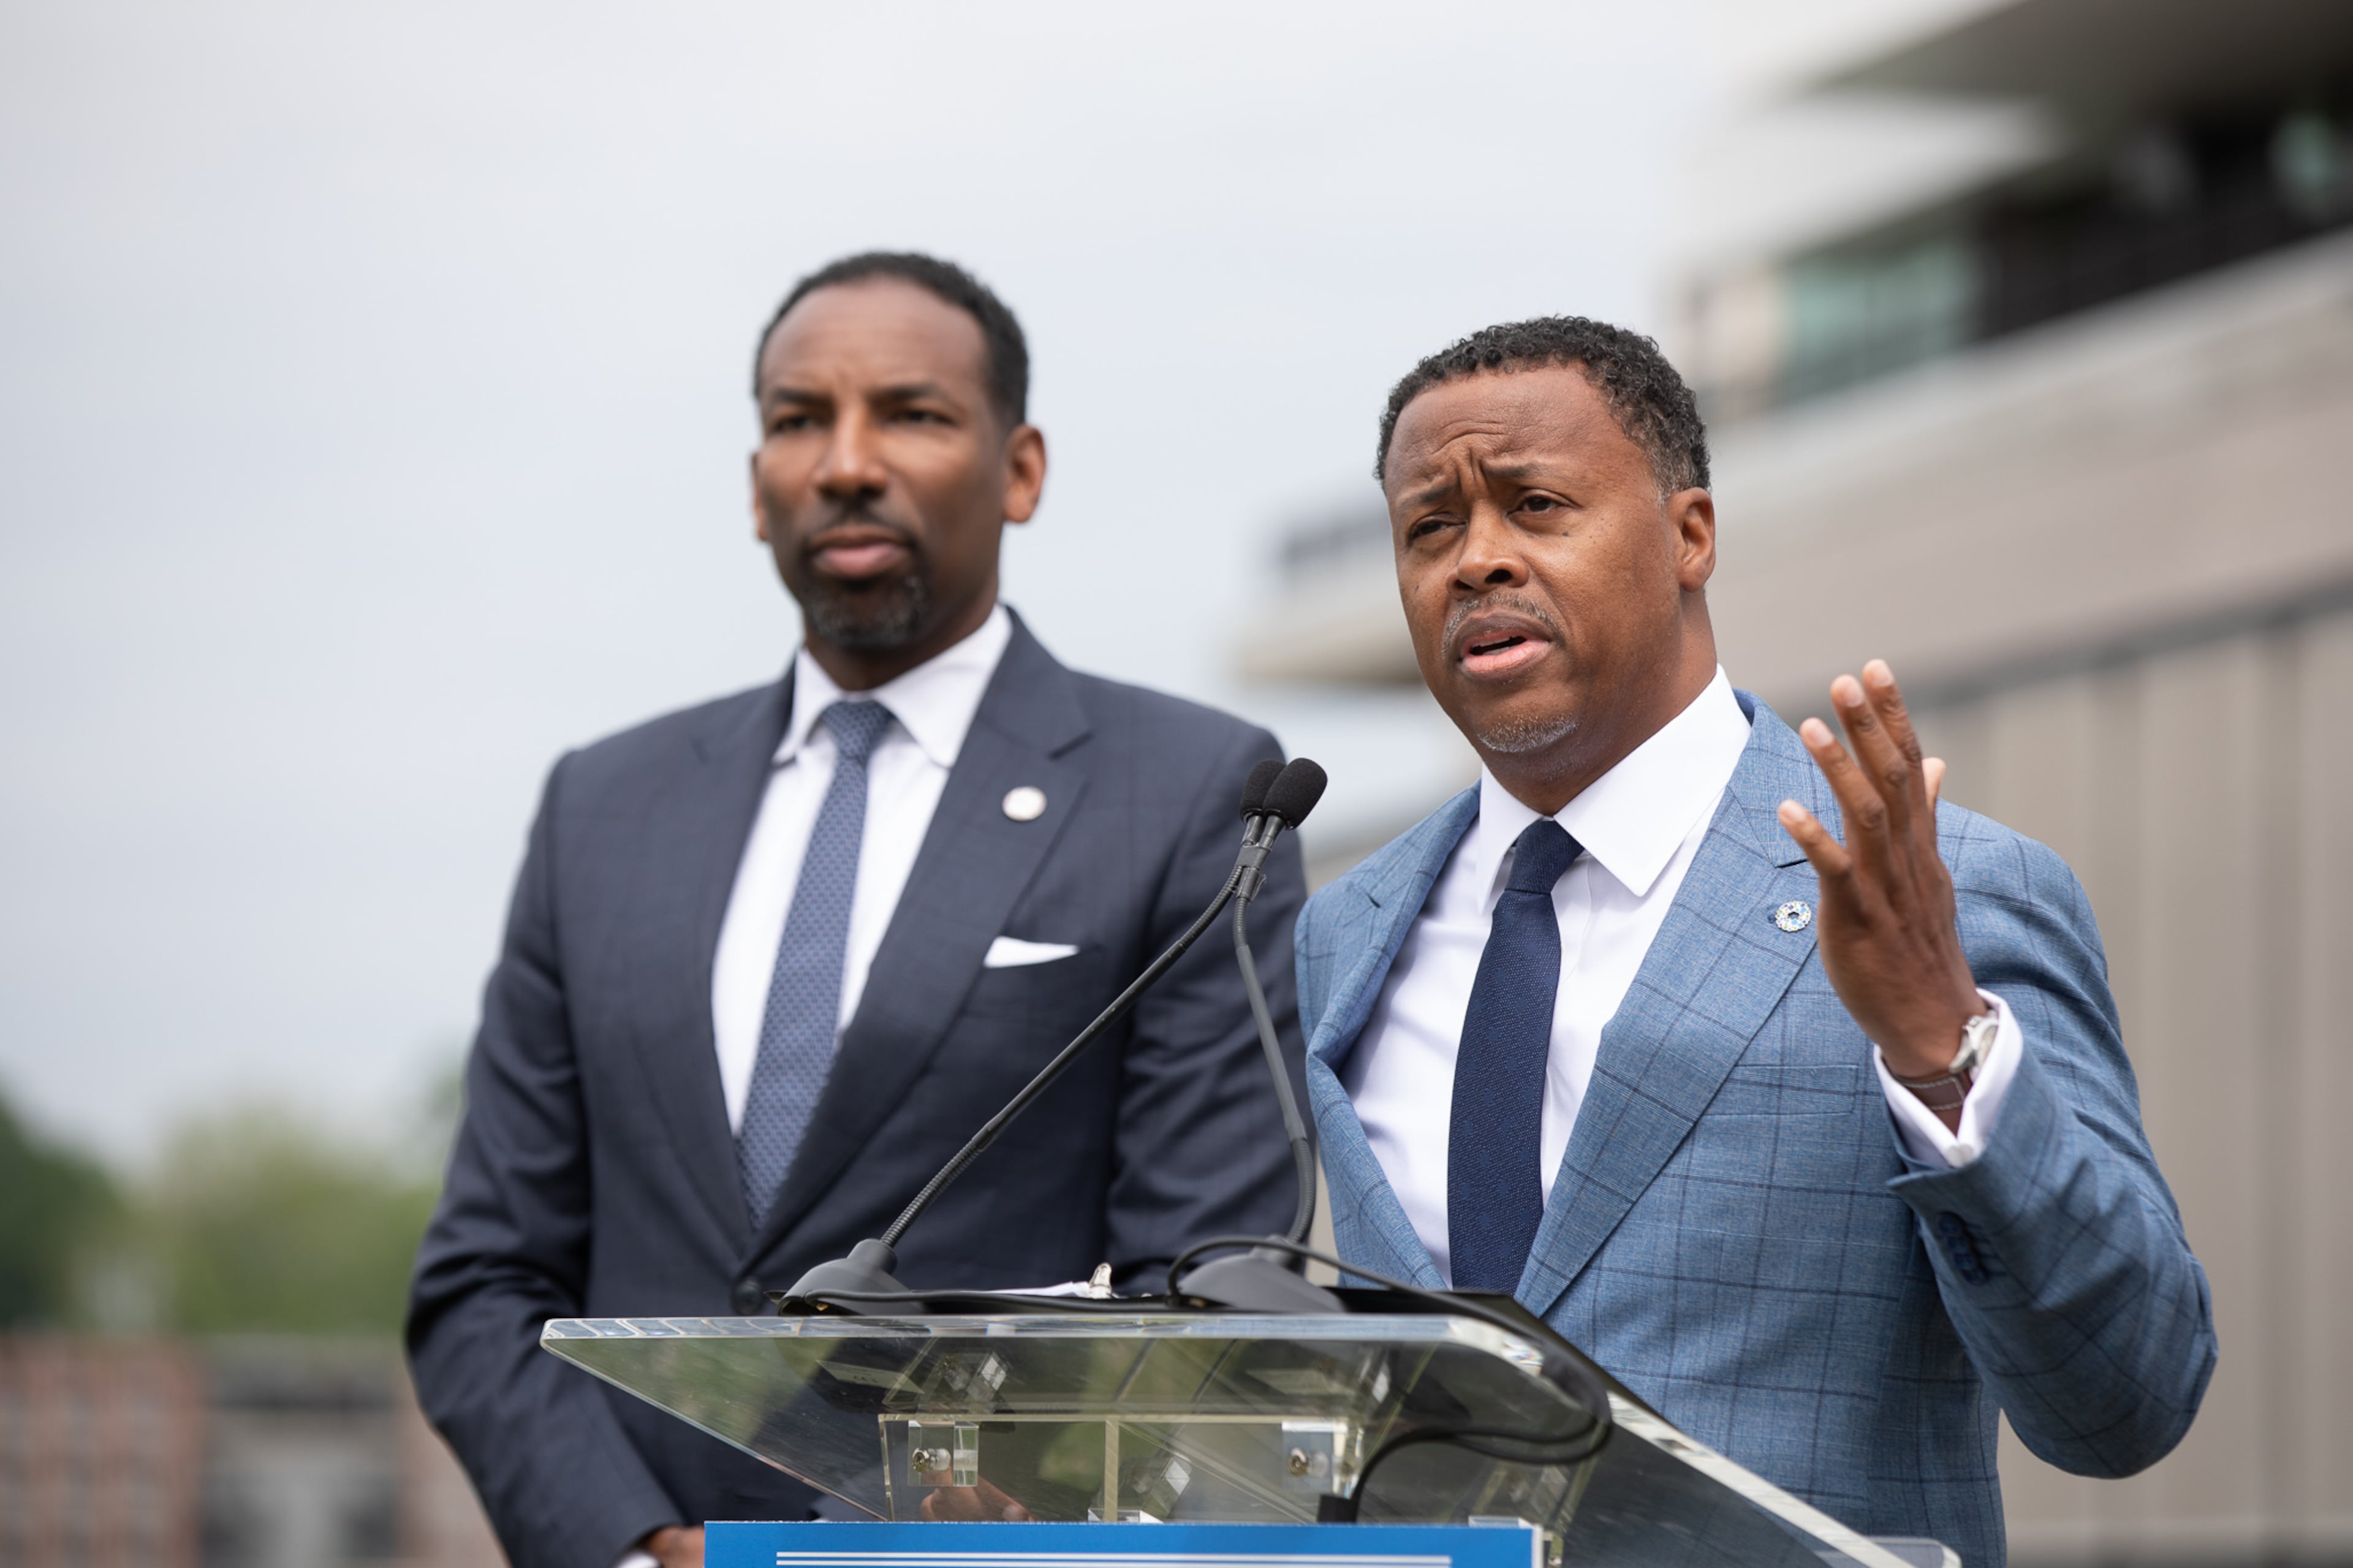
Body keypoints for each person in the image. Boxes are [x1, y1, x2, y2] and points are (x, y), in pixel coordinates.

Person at [407, 252, 1308, 1568]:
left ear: (1022, 469)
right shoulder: (603, 807)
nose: (844, 461)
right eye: (796, 419)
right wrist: (641, 1542)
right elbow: (483, 1283)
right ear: (755, 483)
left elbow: (1205, 1291)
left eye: (912, 413)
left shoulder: (1184, 793)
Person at [1298, 317, 2213, 1568]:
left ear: (1691, 534)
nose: (1478, 561)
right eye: (1430, 527)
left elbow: (2130, 1397)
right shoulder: (1343, 931)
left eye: (1538, 503)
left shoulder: (1948, 889)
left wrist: (1944, 1051)